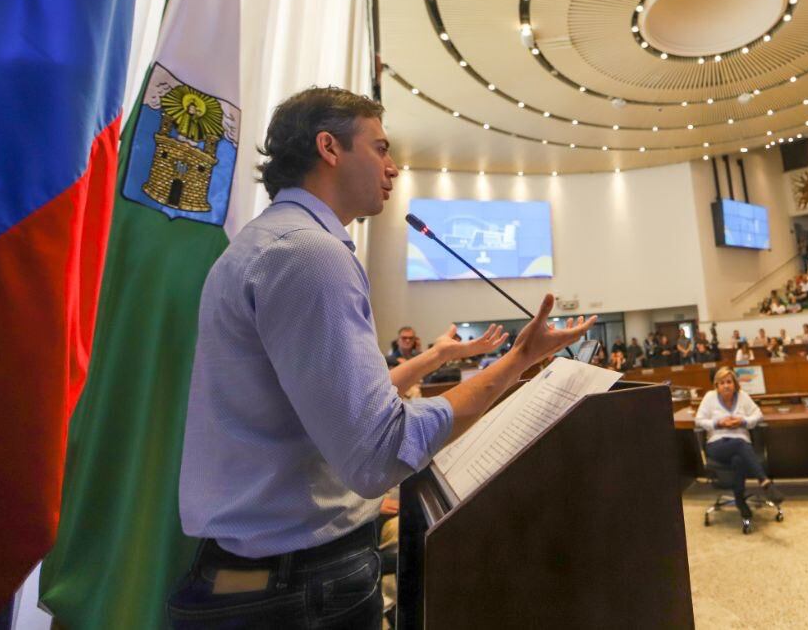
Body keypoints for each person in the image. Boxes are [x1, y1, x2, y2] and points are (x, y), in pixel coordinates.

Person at [172, 87, 595, 627]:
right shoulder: (308, 255)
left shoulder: (271, 243)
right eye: (380, 148)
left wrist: (436, 357)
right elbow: (377, 452)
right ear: (329, 147)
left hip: (262, 578)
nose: (393, 168)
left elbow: (332, 408)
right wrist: (516, 362)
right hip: (298, 589)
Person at [694, 368, 782, 528]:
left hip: (740, 444)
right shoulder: (709, 397)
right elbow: (699, 420)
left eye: (729, 382)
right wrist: (718, 423)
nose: (726, 386)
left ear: (735, 384)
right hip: (717, 444)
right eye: (722, 383)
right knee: (741, 445)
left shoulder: (743, 397)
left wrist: (742, 422)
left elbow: (758, 415)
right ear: (716, 385)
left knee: (738, 458)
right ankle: (764, 481)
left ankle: (741, 503)